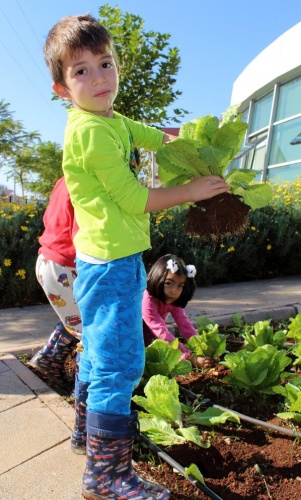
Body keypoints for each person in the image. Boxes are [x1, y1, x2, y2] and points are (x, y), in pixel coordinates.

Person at [43, 13, 230, 500]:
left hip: (109, 258)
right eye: (81, 71)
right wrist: (193, 189)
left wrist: (189, 137)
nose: (99, 77)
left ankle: (88, 438)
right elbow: (134, 198)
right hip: (109, 265)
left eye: (105, 63)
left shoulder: (112, 120)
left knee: (100, 356)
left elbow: (154, 135)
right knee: (121, 364)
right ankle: (106, 477)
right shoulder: (90, 133)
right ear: (62, 89)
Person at [28, 177, 87, 455]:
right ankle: (83, 422)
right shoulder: (88, 177)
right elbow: (82, 231)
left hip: (48, 261)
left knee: (75, 320)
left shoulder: (66, 178)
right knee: (90, 337)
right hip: (65, 266)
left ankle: (49, 357)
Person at [143, 254, 215, 369]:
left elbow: (185, 325)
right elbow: (159, 329)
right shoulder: (148, 299)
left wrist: (201, 347)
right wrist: (189, 357)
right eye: (168, 283)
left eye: (180, 286)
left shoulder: (173, 300)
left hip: (151, 339)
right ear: (157, 278)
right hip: (132, 338)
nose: (174, 291)